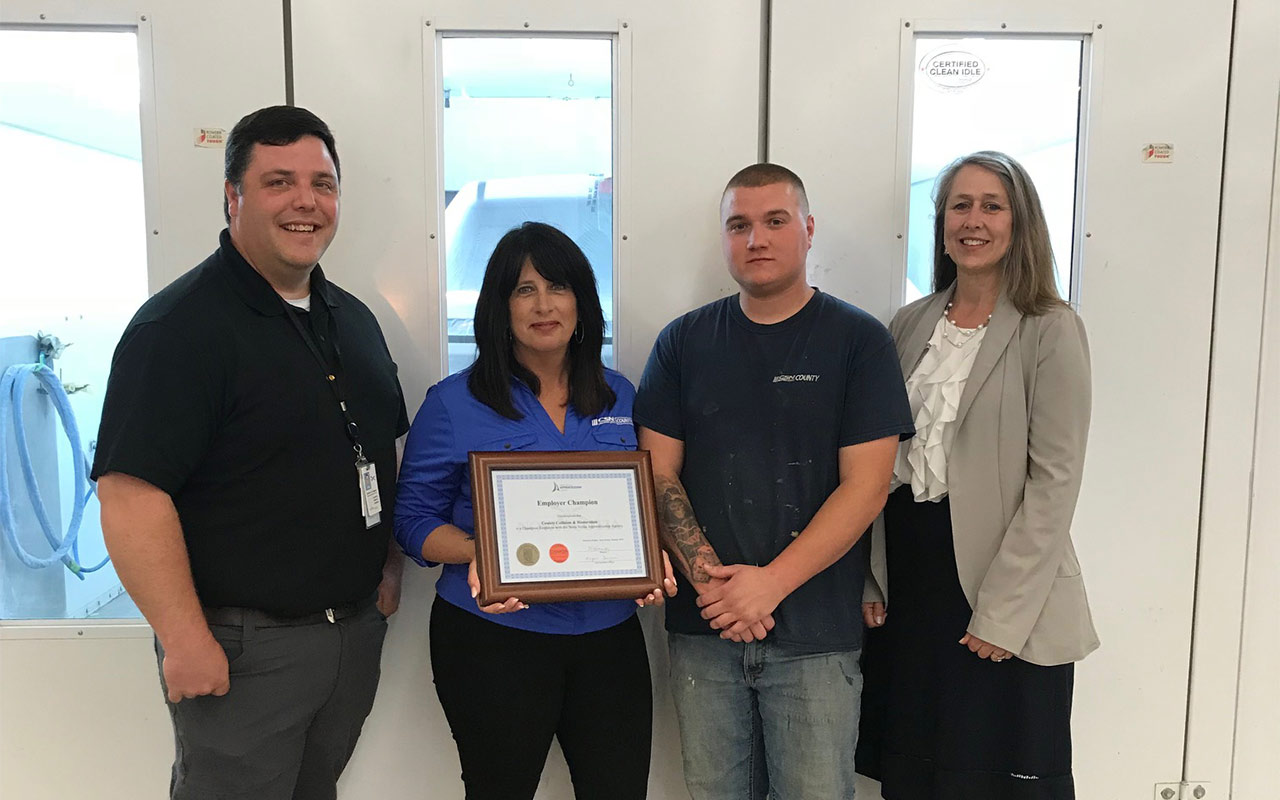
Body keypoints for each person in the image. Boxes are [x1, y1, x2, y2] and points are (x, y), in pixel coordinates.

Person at [92, 105, 410, 800]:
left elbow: (378, 452)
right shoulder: (179, 329)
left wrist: (386, 565)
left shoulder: (351, 319)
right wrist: (182, 637)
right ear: (232, 197)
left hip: (350, 635)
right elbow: (129, 493)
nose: (306, 201)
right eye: (279, 182)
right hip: (242, 648)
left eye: (322, 184)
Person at [634, 163, 915, 799]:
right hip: (705, 634)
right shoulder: (682, 343)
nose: (756, 238)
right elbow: (657, 474)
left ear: (809, 230)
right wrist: (716, 589)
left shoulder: (858, 342)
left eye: (774, 221)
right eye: (739, 225)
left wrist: (769, 587)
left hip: (816, 634)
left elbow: (866, 487)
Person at [394, 221, 675, 800]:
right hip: (493, 639)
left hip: (609, 641)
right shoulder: (453, 402)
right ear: (500, 306)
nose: (544, 305)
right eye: (524, 290)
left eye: (558, 286)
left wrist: (652, 562)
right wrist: (483, 554)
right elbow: (412, 521)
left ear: (583, 301)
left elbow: (647, 502)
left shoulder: (623, 395)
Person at [855, 150, 1100, 799]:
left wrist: (1001, 613)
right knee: (915, 772)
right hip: (913, 583)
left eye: (992, 206)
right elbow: (877, 468)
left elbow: (1055, 482)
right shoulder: (908, 325)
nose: (973, 220)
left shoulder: (1051, 329)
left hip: (1004, 589)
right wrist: (872, 572)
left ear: (1020, 223)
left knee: (994, 777)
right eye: (960, 205)